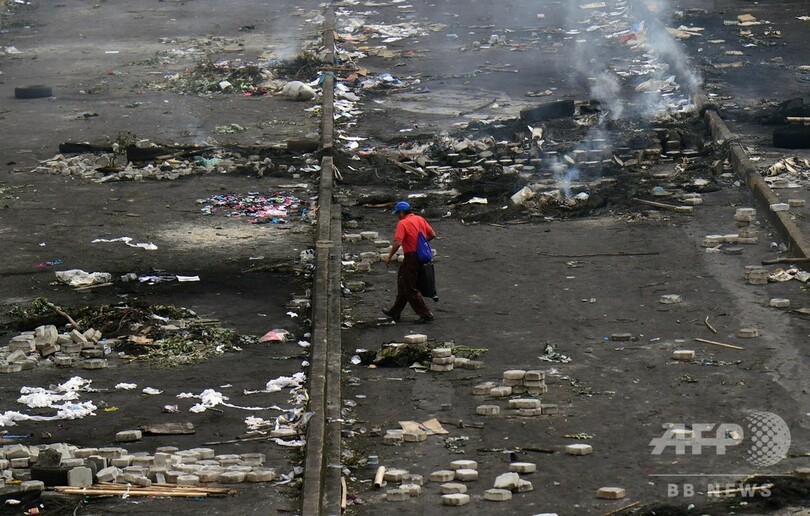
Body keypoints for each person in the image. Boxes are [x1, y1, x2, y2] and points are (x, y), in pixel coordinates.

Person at [382, 201, 436, 323]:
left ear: (401, 212)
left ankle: (426, 314)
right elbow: (432, 234)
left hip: (411, 257)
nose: (397, 216)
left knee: (410, 287)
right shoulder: (420, 219)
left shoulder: (403, 223)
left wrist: (390, 256)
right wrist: (421, 245)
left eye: (398, 213)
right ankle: (395, 311)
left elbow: (397, 242)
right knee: (403, 282)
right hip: (420, 256)